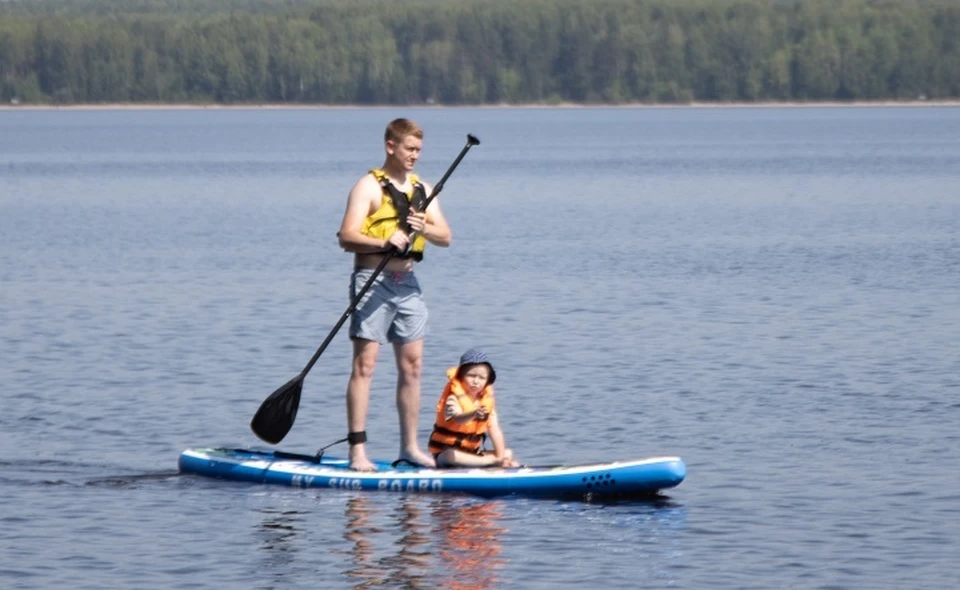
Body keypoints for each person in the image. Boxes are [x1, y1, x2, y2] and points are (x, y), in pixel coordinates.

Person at [337, 118, 452, 471]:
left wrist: (426, 227)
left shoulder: (423, 189)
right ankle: (358, 452)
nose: (415, 156)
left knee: (413, 367)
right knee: (365, 365)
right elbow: (345, 237)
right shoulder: (367, 187)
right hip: (372, 279)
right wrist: (382, 241)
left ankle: (409, 448)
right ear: (391, 146)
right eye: (409, 149)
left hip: (408, 285)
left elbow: (446, 236)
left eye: (419, 150)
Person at [428, 349, 519, 468]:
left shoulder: (486, 403)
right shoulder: (453, 398)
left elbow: (495, 430)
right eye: (471, 376)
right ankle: (490, 462)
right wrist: (473, 414)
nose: (476, 381)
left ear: (487, 381)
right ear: (461, 377)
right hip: (445, 456)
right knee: (450, 454)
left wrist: (500, 456)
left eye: (481, 378)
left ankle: (497, 462)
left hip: (471, 454)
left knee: (507, 453)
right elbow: (458, 419)